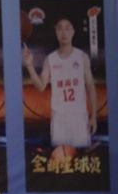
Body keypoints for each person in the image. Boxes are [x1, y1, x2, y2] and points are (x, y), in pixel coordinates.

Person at [22, 16, 97, 148]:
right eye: (60, 29)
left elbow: (91, 88)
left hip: (79, 117)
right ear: (56, 32)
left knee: (81, 157)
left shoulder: (82, 57)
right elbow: (40, 86)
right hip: (59, 120)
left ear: (73, 31)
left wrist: (94, 116)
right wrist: (29, 66)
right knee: (60, 158)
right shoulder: (50, 59)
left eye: (67, 28)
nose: (64, 33)